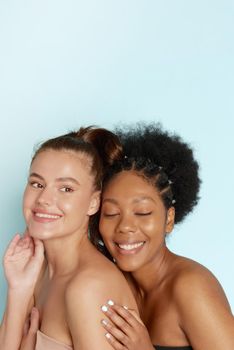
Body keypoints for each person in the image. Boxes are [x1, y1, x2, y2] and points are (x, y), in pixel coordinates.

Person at [91, 123, 234, 349]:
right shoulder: (113, 281)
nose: (125, 226)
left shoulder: (190, 288)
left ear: (168, 219)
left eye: (142, 212)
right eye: (111, 213)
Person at [0, 126, 138, 350]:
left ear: (94, 202)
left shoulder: (88, 286)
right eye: (37, 184)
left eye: (66, 189)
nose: (44, 198)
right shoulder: (38, 270)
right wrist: (18, 289)